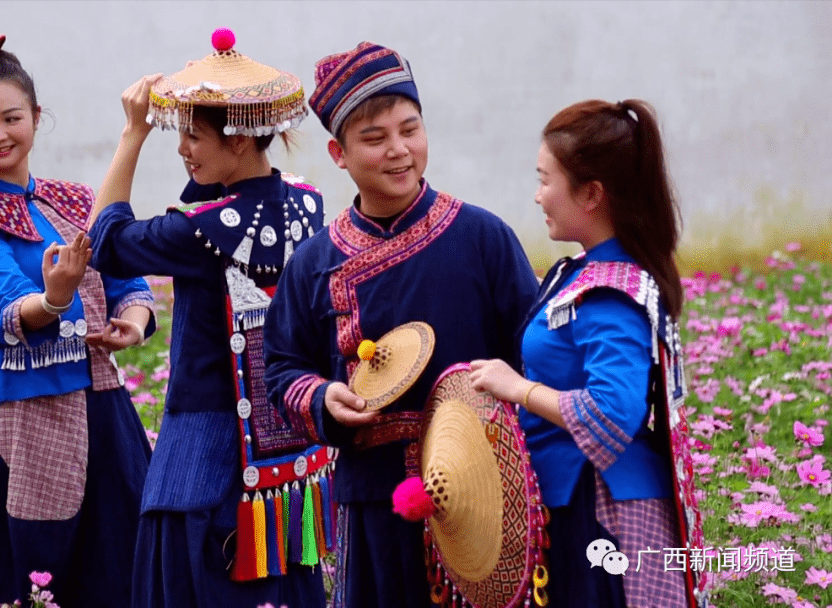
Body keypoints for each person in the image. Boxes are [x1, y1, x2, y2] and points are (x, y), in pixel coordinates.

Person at [262, 42, 540, 608]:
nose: (399, 151)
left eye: (409, 130)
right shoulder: (314, 264)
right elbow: (284, 366)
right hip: (376, 496)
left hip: (487, 491)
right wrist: (323, 398)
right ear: (338, 153)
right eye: (374, 138)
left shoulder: (483, 239)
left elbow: (535, 353)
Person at [86, 29, 328, 608]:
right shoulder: (307, 201)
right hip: (286, 455)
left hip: (204, 451)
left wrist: (132, 134)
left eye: (192, 136)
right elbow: (203, 194)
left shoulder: (203, 232)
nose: (183, 150)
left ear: (240, 138)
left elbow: (105, 239)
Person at [0, 35, 155, 607]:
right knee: (31, 568)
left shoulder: (74, 199)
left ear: (37, 117)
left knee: (124, 561)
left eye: (12, 117)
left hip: (106, 413)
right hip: (25, 421)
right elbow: (7, 305)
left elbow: (127, 277)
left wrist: (131, 318)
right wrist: (53, 298)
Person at [466, 99, 707, 607]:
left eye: (544, 179)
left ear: (591, 193)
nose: (537, 196)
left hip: (601, 513)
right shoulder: (582, 274)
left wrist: (521, 389)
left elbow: (613, 410)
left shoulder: (608, 294)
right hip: (579, 502)